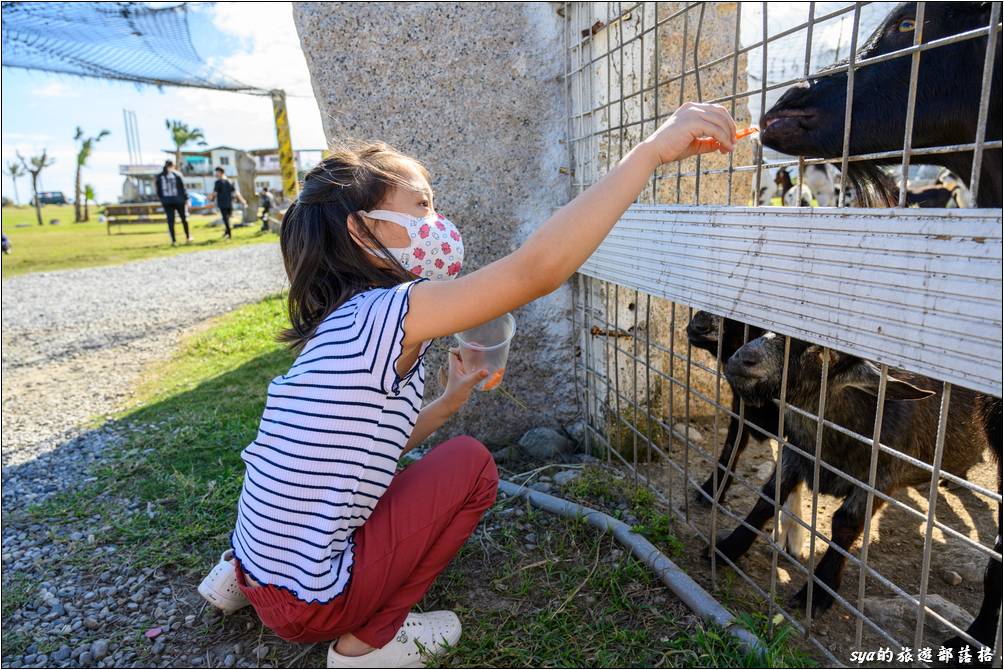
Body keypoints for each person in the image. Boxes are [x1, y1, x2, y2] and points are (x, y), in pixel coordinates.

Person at [196, 102, 738, 669]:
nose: (438, 224)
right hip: (314, 604)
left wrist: (450, 399)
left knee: (334, 480)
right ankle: (365, 647)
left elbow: (370, 448)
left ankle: (232, 580)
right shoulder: (394, 311)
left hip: (261, 569)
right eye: (422, 207)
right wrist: (649, 152)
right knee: (471, 466)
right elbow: (536, 270)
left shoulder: (336, 327)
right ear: (362, 231)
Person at [155, 160, 191, 245]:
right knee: (184, 219)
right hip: (178, 200)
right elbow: (183, 188)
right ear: (173, 165)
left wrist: (162, 200)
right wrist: (187, 199)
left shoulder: (159, 176)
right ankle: (188, 236)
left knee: (171, 221)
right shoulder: (177, 174)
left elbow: (158, 191)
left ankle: (173, 240)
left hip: (167, 201)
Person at [209, 167, 247, 239]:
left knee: (225, 219)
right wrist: (243, 200)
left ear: (221, 172)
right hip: (229, 203)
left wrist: (210, 198)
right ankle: (227, 232)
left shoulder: (218, 182)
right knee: (227, 218)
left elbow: (215, 193)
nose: (216, 174)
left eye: (217, 172)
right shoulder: (230, 181)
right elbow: (236, 192)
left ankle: (229, 235)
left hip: (222, 203)